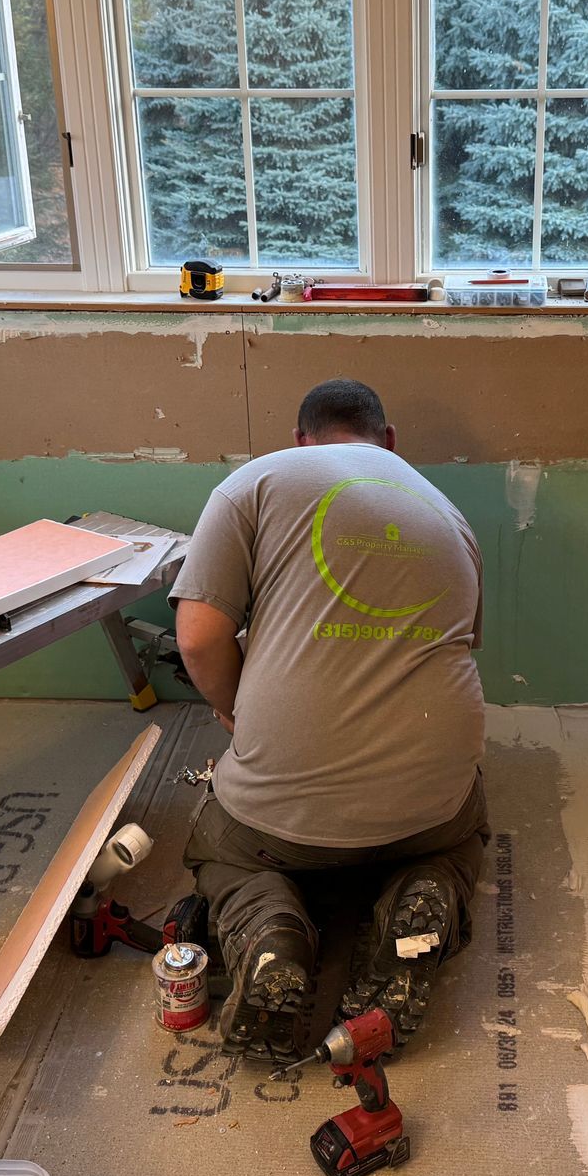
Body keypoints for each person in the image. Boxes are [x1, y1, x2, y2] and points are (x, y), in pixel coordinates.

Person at [170, 378, 489, 1063]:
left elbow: (197, 639)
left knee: (218, 847)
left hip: (276, 829)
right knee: (457, 832)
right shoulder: (449, 514)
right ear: (389, 441)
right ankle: (424, 890)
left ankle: (269, 929)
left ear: (300, 439)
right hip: (427, 806)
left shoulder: (256, 482)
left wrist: (234, 712)